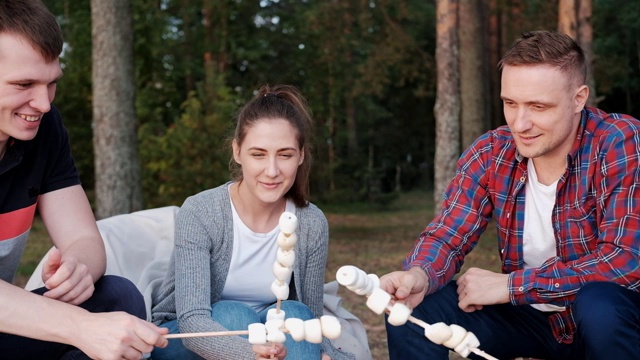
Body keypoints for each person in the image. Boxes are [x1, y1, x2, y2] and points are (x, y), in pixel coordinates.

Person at [380, 30, 640, 360]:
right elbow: (449, 235)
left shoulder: (620, 141)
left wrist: (510, 286)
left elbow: (625, 262)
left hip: (612, 323)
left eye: (538, 106)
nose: (520, 123)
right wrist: (417, 275)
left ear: (579, 98)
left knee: (599, 304)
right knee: (414, 312)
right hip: (529, 318)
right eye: (510, 103)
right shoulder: (491, 152)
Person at [0, 1, 168, 359]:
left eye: (51, 84)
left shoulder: (44, 129)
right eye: (24, 84)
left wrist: (78, 267)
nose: (43, 104)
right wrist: (80, 327)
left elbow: (84, 238)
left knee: (117, 298)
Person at [150, 84, 353, 360]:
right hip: (188, 337)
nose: (272, 171)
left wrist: (329, 355)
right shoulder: (200, 212)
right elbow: (192, 320)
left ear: (301, 156)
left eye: (285, 155)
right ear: (237, 151)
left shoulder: (311, 222)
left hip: (270, 337)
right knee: (233, 314)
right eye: (258, 154)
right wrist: (250, 354)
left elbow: (311, 318)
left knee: (296, 313)